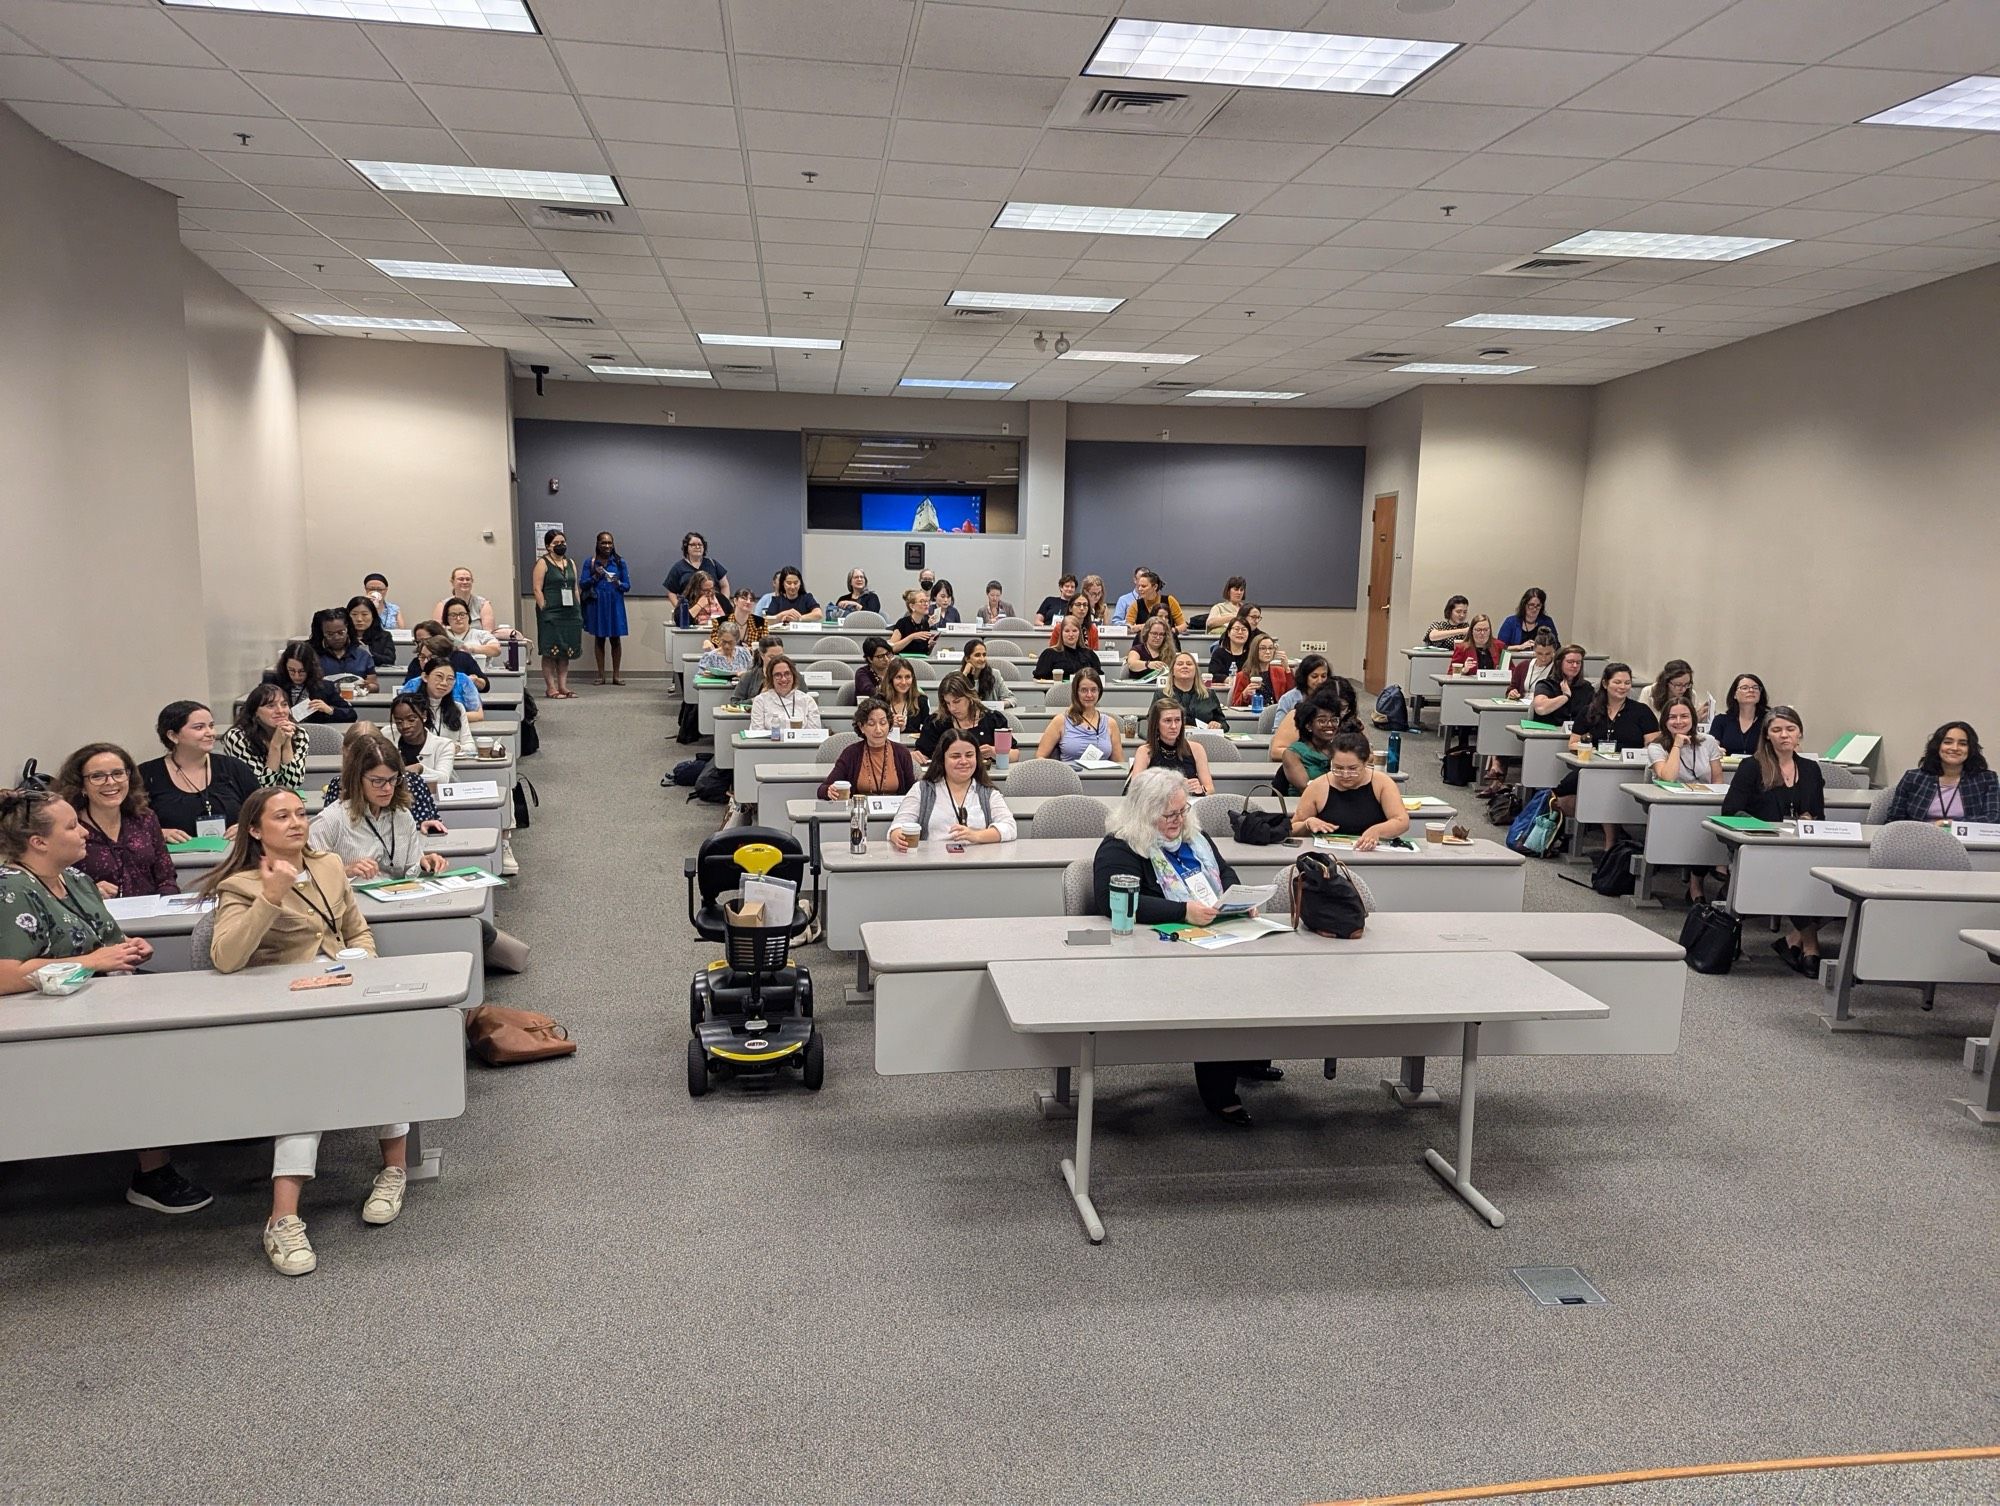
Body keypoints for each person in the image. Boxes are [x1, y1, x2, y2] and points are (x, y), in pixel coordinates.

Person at [198, 788, 409, 1275]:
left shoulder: (330, 865)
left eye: (300, 813)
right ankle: (283, 1218)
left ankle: (394, 1169)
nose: (296, 823)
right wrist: (271, 895)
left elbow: (357, 931)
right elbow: (226, 957)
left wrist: (367, 969)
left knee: (392, 1050)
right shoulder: (243, 886)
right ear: (255, 830)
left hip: (345, 989)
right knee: (309, 1083)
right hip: (287, 1006)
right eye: (281, 817)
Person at [0, 787, 209, 1214]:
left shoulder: (75, 880)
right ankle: (152, 1172)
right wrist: (93, 960)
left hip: (99, 992)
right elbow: (5, 975)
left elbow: (107, 941)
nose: (83, 834)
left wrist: (127, 949)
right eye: (72, 826)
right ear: (38, 841)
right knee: (143, 1048)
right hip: (38, 1011)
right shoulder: (11, 890)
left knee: (193, 1013)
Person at [1092, 769, 1264, 1124]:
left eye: (1182, 811)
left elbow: (1224, 870)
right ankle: (1220, 1091)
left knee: (1257, 972)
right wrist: (1183, 911)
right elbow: (1114, 900)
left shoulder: (1194, 835)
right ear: (1144, 811)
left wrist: (1237, 897)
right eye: (1168, 815)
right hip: (1159, 947)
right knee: (1217, 992)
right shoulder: (1121, 845)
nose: (1177, 820)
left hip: (1215, 931)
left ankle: (1248, 1057)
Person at [1721, 707, 1828, 976]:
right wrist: (1768, 828)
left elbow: (1819, 812)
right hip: (1763, 847)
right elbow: (1731, 810)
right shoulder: (1752, 766)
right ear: (1767, 735)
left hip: (1803, 846)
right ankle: (1811, 944)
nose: (1784, 735)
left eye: (1790, 729)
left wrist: (1809, 817)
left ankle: (1793, 939)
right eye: (1777, 730)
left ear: (1799, 734)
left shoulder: (1811, 769)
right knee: (1799, 876)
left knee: (1832, 881)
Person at [309, 735, 450, 882]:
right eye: (378, 781)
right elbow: (307, 878)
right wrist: (345, 871)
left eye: (393, 779)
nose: (388, 788)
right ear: (357, 779)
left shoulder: (402, 815)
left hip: (398, 901)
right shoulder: (330, 820)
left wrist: (423, 865)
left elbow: (410, 873)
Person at [1553, 663, 1658, 850]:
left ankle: (1610, 843)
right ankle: (1605, 828)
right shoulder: (1589, 711)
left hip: (1629, 771)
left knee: (1606, 795)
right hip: (1595, 767)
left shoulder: (1641, 711)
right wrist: (1591, 750)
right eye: (1617, 682)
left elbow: (1653, 745)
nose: (1623, 686)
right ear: (1605, 683)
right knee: (1561, 797)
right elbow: (1573, 743)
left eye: (1627, 683)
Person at [57, 743, 177, 899]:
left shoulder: (145, 818)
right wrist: (87, 891)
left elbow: (166, 877)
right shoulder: (70, 828)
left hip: (152, 915)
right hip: (95, 917)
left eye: (118, 773)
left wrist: (164, 907)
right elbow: (54, 886)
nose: (111, 782)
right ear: (81, 786)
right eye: (97, 776)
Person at [139, 701, 262, 843]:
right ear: (173, 736)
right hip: (174, 860)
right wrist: (157, 833)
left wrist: (247, 826)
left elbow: (262, 810)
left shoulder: (234, 767)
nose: (211, 733)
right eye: (199, 728)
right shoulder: (146, 775)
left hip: (234, 858)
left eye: (211, 726)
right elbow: (126, 824)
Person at [1649, 698, 1727, 902]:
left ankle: (1704, 880)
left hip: (1705, 802)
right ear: (1664, 721)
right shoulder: (1656, 746)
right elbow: (1668, 777)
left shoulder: (1708, 741)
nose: (1678, 721)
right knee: (1696, 828)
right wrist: (1676, 745)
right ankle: (1695, 885)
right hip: (1672, 806)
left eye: (1684, 716)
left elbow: (1717, 777)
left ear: (1693, 718)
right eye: (1672, 717)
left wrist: (1716, 798)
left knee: (1707, 828)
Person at [888, 727, 1016, 850]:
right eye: (955, 756)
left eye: (969, 755)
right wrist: (897, 835)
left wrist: (976, 835)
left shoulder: (988, 792)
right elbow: (898, 825)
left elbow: (1009, 827)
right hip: (933, 864)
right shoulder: (922, 789)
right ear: (942, 760)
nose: (964, 761)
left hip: (977, 864)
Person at [1291, 730, 1409, 848]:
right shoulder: (1317, 787)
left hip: (1372, 853)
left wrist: (1377, 830)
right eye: (1338, 768)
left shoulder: (1382, 783)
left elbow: (1402, 821)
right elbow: (1292, 828)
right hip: (1328, 855)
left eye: (1353, 769)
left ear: (1365, 762)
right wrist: (1307, 824)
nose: (1345, 775)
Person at [1884, 722, 1999, 823]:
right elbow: (1894, 819)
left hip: (1967, 843)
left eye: (1963, 744)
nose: (1954, 748)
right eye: (1948, 742)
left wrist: (1947, 825)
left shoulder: (1986, 779)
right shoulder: (1913, 778)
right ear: (1937, 746)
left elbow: (1992, 818)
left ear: (1971, 749)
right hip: (1918, 841)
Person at [817, 699, 917, 801]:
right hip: (861, 811)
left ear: (889, 724)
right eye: (871, 724)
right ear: (861, 727)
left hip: (895, 813)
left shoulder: (902, 753)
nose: (878, 730)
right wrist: (829, 791)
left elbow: (912, 792)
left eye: (883, 723)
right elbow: (822, 789)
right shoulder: (851, 754)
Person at [221, 683, 311, 792]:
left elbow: (292, 785)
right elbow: (261, 788)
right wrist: (275, 746)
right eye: (271, 706)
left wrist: (287, 743)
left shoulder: (299, 734)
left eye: (284, 704)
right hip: (249, 801)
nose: (280, 711)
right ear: (255, 712)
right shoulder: (237, 737)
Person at [533, 528, 583, 699]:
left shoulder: (571, 563)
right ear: (548, 546)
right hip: (551, 612)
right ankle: (551, 687)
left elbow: (575, 587)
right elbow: (537, 589)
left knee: (565, 650)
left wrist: (579, 609)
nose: (560, 546)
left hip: (569, 612)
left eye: (562, 542)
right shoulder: (542, 563)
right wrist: (544, 609)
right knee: (550, 651)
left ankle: (563, 686)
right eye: (556, 543)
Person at [1034, 668, 1123, 764]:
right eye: (1084, 690)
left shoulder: (1110, 723)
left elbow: (1119, 763)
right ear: (1076, 692)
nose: (1089, 695)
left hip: (1102, 777)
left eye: (1093, 690)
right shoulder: (1060, 721)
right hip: (1069, 776)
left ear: (1099, 692)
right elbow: (1040, 757)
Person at [1131, 698, 1213, 796]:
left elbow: (1210, 788)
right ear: (1156, 724)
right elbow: (1135, 789)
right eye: (1167, 721)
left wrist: (1201, 789)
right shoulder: (1145, 751)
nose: (1174, 726)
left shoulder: (1196, 749)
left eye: (1177, 720)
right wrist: (1173, 788)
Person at [916, 673, 1005, 760]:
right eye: (948, 703)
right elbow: (922, 754)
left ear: (970, 697)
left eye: (957, 701)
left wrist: (995, 752)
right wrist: (915, 756)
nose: (952, 708)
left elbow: (1015, 754)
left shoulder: (993, 720)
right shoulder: (936, 723)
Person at [582, 530, 631, 686]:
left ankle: (616, 676)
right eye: (604, 542)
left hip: (615, 603)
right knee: (599, 638)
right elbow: (582, 584)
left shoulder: (619, 562)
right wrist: (595, 576)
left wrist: (618, 582)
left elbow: (627, 586)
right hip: (597, 603)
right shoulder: (590, 562)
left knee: (616, 639)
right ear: (597, 544)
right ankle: (601, 675)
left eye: (610, 542)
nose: (607, 545)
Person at [265, 640, 356, 725]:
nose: (296, 676)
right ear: (285, 667)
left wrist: (329, 709)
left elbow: (351, 714)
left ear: (311, 668)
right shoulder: (272, 683)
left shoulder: (324, 687)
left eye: (302, 671)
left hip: (313, 734)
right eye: (291, 670)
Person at [406, 659, 479, 758]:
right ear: (425, 677)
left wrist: (454, 748)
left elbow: (470, 746)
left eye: (450, 679)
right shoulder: (411, 706)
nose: (444, 683)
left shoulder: (458, 708)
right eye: (439, 677)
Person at [1265, 655, 1334, 759]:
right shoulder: (1288, 699)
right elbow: (1277, 731)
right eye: (1314, 676)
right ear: (1305, 677)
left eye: (1323, 676)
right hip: (1295, 753)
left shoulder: (1334, 699)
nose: (1320, 681)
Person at [1280, 688, 1349, 793]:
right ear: (1308, 725)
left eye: (1334, 720)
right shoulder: (1292, 754)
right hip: (1303, 803)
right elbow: (1306, 788)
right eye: (1322, 721)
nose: (1330, 725)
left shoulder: (1339, 748)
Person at [402, 645, 485, 726]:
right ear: (425, 677)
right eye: (422, 657)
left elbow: (478, 714)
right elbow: (399, 714)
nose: (425, 662)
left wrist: (445, 717)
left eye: (432, 657)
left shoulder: (462, 680)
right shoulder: (412, 684)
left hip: (455, 726)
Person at [387, 695, 457, 785]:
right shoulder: (387, 736)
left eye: (411, 720)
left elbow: (443, 778)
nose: (405, 726)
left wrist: (421, 769)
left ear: (424, 715)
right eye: (399, 722)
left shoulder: (444, 745)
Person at [409, 618, 488, 692]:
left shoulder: (461, 658)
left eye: (425, 640)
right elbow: (407, 688)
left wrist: (474, 681)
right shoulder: (417, 662)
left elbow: (485, 686)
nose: (420, 645)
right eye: (418, 642)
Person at [748, 655, 821, 734]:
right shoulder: (760, 701)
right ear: (771, 678)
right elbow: (757, 734)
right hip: (770, 746)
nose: (783, 679)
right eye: (778, 675)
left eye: (787, 674)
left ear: (793, 676)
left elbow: (814, 734)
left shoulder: (807, 700)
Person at [310, 606, 378, 690]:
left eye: (341, 632)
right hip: (324, 701)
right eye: (330, 634)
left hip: (357, 700)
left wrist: (368, 687)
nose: (337, 637)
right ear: (322, 633)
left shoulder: (362, 655)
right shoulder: (312, 655)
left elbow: (375, 686)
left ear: (347, 629)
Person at [663, 531, 729, 615]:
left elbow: (725, 585)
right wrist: (681, 610)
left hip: (714, 612)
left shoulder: (713, 564)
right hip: (692, 612)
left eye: (700, 544)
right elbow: (671, 592)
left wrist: (723, 604)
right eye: (693, 545)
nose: (697, 547)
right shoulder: (678, 567)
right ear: (686, 547)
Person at [1709, 672, 1771, 758]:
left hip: (1760, 769)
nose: (1751, 690)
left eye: (1755, 687)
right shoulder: (1721, 720)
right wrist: (1717, 751)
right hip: (1728, 769)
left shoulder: (1769, 720)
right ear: (1734, 694)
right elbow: (1712, 747)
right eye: (1745, 688)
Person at [1165, 651, 1228, 731]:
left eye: (1189, 664)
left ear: (1196, 670)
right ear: (1172, 671)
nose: (1185, 666)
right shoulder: (1163, 695)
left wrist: (1218, 725)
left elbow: (1224, 724)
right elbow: (1153, 722)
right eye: (1180, 664)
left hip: (1204, 740)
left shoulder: (1209, 694)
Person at [1645, 659, 1715, 729]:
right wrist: (1694, 720)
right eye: (1678, 685)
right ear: (1666, 682)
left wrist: (1705, 714)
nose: (1683, 689)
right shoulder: (1648, 693)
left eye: (1687, 684)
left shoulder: (1692, 695)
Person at [1230, 633, 1293, 709]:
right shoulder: (1243, 675)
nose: (1268, 652)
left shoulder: (1280, 671)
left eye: (1270, 648)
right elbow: (1235, 705)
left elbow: (1292, 696)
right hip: (1253, 716)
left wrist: (1287, 669)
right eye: (1263, 648)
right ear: (1255, 651)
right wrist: (1244, 694)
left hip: (1275, 714)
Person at [1531, 644, 1589, 724]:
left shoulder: (1586, 687)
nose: (1575, 666)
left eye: (1578, 662)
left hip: (1577, 734)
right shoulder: (1545, 685)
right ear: (1559, 663)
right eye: (1570, 662)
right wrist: (1565, 696)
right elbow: (1540, 708)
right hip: (1548, 734)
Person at [1035, 616, 1103, 682]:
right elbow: (1039, 678)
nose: (1071, 634)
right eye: (1067, 631)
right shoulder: (1049, 654)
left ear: (1079, 633)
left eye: (1074, 631)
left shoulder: (1090, 654)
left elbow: (1099, 679)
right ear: (1061, 633)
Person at [878, 659, 929, 742]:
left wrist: (904, 728)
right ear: (891, 679)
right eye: (898, 677)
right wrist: (888, 725)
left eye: (908, 677)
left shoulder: (921, 700)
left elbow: (926, 731)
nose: (904, 682)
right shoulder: (879, 700)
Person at [441, 596, 503, 665]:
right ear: (447, 618)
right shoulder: (442, 636)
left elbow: (496, 650)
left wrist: (472, 648)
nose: (458, 618)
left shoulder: (481, 634)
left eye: (462, 614)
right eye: (453, 615)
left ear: (468, 616)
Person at [434, 566, 495, 634]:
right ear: (452, 582)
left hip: (478, 643)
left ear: (472, 581)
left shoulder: (483, 604)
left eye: (468, 579)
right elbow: (436, 633)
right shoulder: (442, 605)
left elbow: (488, 632)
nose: (465, 582)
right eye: (461, 579)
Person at [732, 635, 788, 704]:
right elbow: (734, 703)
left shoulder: (793, 675)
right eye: (771, 657)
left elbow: (804, 699)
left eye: (780, 656)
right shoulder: (749, 676)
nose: (777, 660)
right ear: (762, 655)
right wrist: (756, 700)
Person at [346, 594, 397, 670]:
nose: (359, 619)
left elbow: (390, 660)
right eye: (354, 614)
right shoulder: (342, 636)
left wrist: (369, 654)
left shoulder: (384, 636)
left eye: (364, 614)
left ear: (373, 616)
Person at [1507, 630, 1559, 701]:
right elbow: (1511, 688)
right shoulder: (1522, 666)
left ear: (1554, 652)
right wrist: (1512, 693)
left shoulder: (1557, 669)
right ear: (1534, 650)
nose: (1543, 658)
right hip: (1521, 707)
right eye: (1539, 653)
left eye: (1548, 654)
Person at [889, 587, 940, 655]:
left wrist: (930, 646)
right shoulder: (902, 623)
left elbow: (924, 652)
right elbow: (892, 648)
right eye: (921, 601)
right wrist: (912, 637)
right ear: (912, 606)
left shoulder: (925, 624)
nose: (926, 604)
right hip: (904, 662)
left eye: (927, 601)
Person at [957, 638, 1006, 704]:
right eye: (977, 655)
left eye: (984, 655)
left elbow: (1011, 698)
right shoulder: (956, 675)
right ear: (967, 658)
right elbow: (953, 699)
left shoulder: (995, 674)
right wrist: (964, 674)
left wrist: (998, 705)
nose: (982, 659)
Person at [1208, 616, 1255, 682]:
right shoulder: (1219, 653)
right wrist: (1228, 679)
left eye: (1244, 629)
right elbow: (1212, 675)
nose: (1240, 632)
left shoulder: (1252, 654)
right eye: (1236, 629)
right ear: (1228, 633)